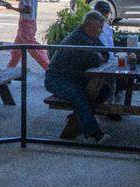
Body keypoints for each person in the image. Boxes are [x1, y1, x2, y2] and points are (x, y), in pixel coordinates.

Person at [44, 11, 109, 143]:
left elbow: (105, 54)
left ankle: (79, 119)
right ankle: (94, 133)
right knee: (79, 95)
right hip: (56, 79)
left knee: (103, 90)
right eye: (99, 27)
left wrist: (99, 57)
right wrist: (99, 57)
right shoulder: (78, 39)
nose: (101, 31)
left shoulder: (91, 37)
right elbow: (95, 59)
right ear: (89, 25)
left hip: (72, 78)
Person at [4, 0, 49, 70]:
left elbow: (27, 10)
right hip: (29, 22)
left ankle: (49, 68)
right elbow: (29, 5)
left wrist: (11, 8)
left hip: (26, 24)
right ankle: (9, 69)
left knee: (33, 49)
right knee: (16, 49)